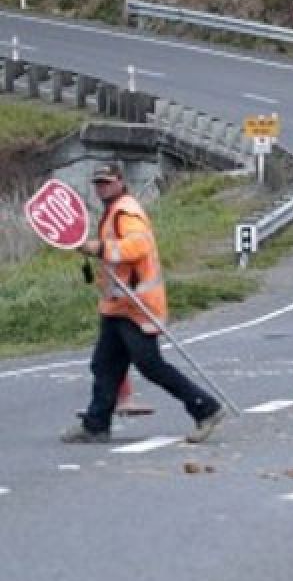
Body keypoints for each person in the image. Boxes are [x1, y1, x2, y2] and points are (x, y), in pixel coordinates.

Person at [61, 163, 227, 444]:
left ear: (120, 182)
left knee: (150, 365)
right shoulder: (113, 211)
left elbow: (138, 247)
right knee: (104, 365)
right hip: (118, 305)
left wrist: (100, 248)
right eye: (98, 183)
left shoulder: (127, 212)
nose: (102, 188)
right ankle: (96, 425)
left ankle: (205, 408)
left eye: (107, 182)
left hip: (137, 306)